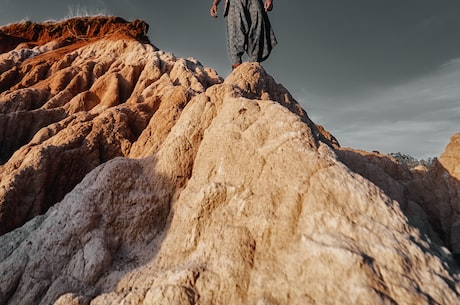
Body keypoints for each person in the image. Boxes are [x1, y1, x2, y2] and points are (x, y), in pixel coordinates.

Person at [210, 0, 277, 69]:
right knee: (235, 34)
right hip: (234, 3)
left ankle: (254, 70)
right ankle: (237, 71)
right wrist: (215, 3)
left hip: (254, 2)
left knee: (257, 32)